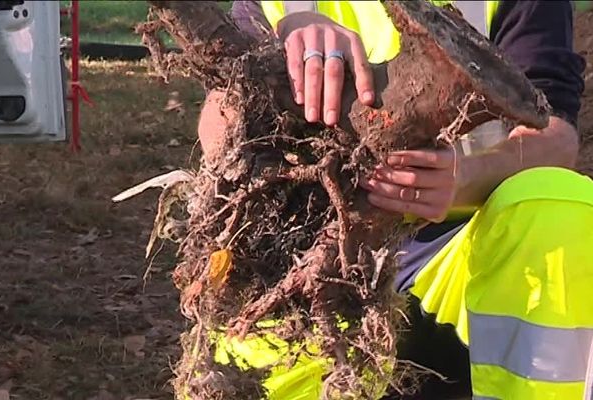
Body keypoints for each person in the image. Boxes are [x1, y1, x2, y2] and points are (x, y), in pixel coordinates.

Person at [197, 1, 593, 399]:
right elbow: (217, 127)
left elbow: (555, 134)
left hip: (455, 252)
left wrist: (466, 176)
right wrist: (274, 56)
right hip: (307, 264)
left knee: (559, 202)